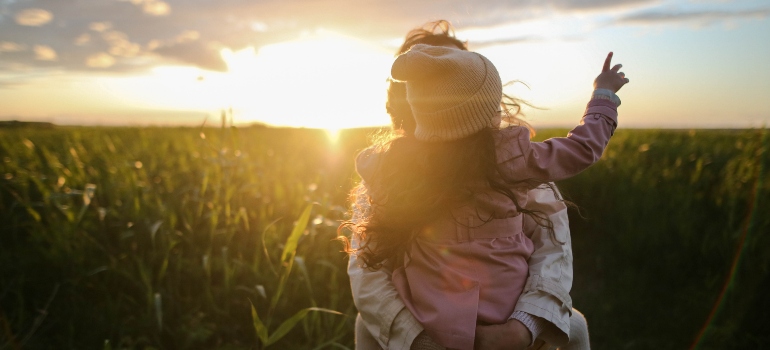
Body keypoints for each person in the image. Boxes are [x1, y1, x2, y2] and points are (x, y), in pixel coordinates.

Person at [343, 21, 627, 349]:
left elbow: (553, 248)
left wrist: (523, 326)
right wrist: (603, 98)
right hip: (428, 328)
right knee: (367, 324)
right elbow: (368, 274)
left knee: (574, 327)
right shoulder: (513, 160)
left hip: (489, 323)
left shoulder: (390, 165)